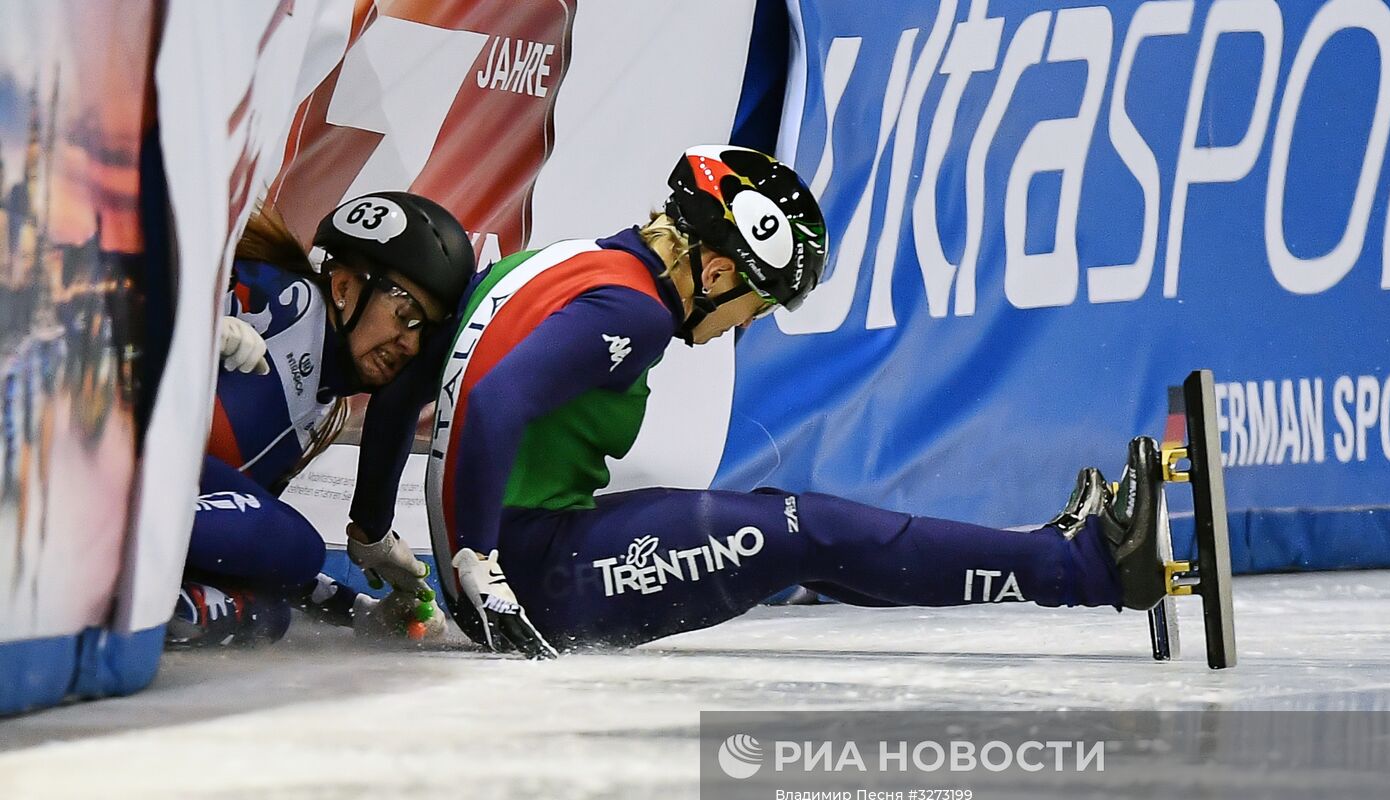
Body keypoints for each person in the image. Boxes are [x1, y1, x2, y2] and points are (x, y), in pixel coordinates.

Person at [422, 146, 1169, 657]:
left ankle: (1056, 554)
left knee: (793, 529)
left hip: (523, 556)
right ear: (714, 272)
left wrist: (372, 535)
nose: (746, 324)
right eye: (755, 302)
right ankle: (1086, 567)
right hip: (529, 579)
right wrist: (478, 567)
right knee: (802, 529)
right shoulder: (636, 310)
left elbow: (430, 372)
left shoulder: (569, 261)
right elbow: (492, 403)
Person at [167, 191, 476, 647]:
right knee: (300, 546)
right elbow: (88, 300)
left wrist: (358, 612)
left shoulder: (327, 407)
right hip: (94, 472)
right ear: (345, 288)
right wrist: (186, 324)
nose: (409, 346)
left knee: (268, 615)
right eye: (406, 316)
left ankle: (144, 606)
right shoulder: (286, 301)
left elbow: (246, 531)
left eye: (424, 335)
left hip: (156, 509)